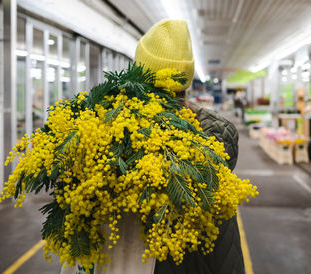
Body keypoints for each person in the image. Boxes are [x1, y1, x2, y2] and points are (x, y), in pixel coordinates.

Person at [62, 19, 243, 274]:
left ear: (137, 72)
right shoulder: (210, 163)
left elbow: (79, 246)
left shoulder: (100, 148)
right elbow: (227, 256)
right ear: (185, 83)